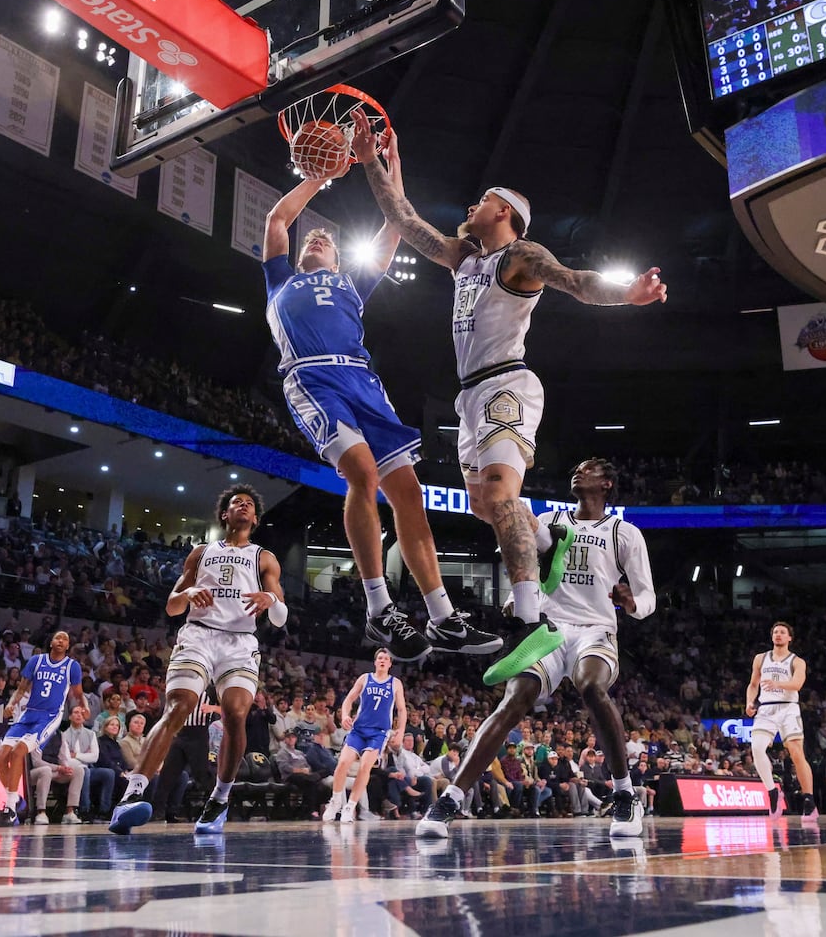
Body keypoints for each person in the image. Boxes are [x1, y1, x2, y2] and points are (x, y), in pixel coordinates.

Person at [350, 113, 667, 687]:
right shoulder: (462, 259)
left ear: (503, 211)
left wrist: (629, 295)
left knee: (500, 496)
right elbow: (401, 216)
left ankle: (531, 621)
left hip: (506, 383)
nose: (468, 208)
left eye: (479, 201)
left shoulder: (520, 257)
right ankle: (543, 556)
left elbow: (576, 281)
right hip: (470, 397)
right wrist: (373, 158)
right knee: (486, 507)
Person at [259, 133, 499, 663]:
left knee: (409, 494)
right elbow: (278, 222)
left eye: (325, 239)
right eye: (312, 239)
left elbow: (395, 223)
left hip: (364, 382)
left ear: (340, 255)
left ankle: (442, 617)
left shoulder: (351, 284)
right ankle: (378, 607)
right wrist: (322, 174)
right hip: (314, 378)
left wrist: (392, 164)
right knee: (363, 476)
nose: (316, 238)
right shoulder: (280, 281)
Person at [417, 458, 656, 840]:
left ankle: (625, 794)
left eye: (590, 468)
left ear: (607, 483)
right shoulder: (549, 520)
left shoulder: (624, 533)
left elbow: (648, 599)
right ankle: (450, 798)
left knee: (592, 687)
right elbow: (531, 561)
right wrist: (518, 596)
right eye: (578, 467)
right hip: (550, 628)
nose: (579, 470)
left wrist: (632, 604)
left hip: (594, 629)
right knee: (513, 700)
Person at [109, 485, 289, 836]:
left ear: (255, 518)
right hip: (199, 633)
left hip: (239, 642)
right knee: (178, 707)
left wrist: (270, 598)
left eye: (249, 504)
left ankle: (219, 799)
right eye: (236, 502)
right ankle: (130, 797)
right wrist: (188, 592)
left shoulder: (264, 557)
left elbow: (281, 617)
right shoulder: (201, 552)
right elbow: (172, 606)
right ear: (225, 514)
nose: (243, 506)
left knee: (236, 713)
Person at [0, 630, 86, 827]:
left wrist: (84, 706)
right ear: (51, 642)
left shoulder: (72, 666)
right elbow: (22, 688)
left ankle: (10, 808)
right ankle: (16, 798)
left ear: (68, 646)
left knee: (18, 752)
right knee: (0, 756)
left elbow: (78, 693)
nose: (61, 641)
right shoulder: (36, 661)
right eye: (58, 637)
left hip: (49, 716)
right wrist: (11, 704)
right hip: (29, 713)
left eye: (65, 639)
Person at [746, 621, 817, 821]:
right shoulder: (760, 659)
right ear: (772, 637)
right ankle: (772, 792)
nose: (778, 634)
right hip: (766, 708)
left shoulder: (797, 661)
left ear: (789, 638)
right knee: (757, 748)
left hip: (788, 707)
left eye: (782, 632)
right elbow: (752, 685)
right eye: (775, 632)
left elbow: (797, 684)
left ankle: (809, 800)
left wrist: (776, 683)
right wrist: (749, 703)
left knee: (796, 753)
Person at [326, 647, 407, 823]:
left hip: (379, 732)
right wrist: (346, 715)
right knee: (342, 763)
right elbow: (348, 700)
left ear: (390, 663)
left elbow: (401, 709)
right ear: (375, 661)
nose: (383, 660)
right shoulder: (365, 678)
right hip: (359, 729)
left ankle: (350, 807)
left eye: (386, 658)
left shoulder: (395, 683)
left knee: (365, 767)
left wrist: (400, 732)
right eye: (380, 658)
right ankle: (335, 801)